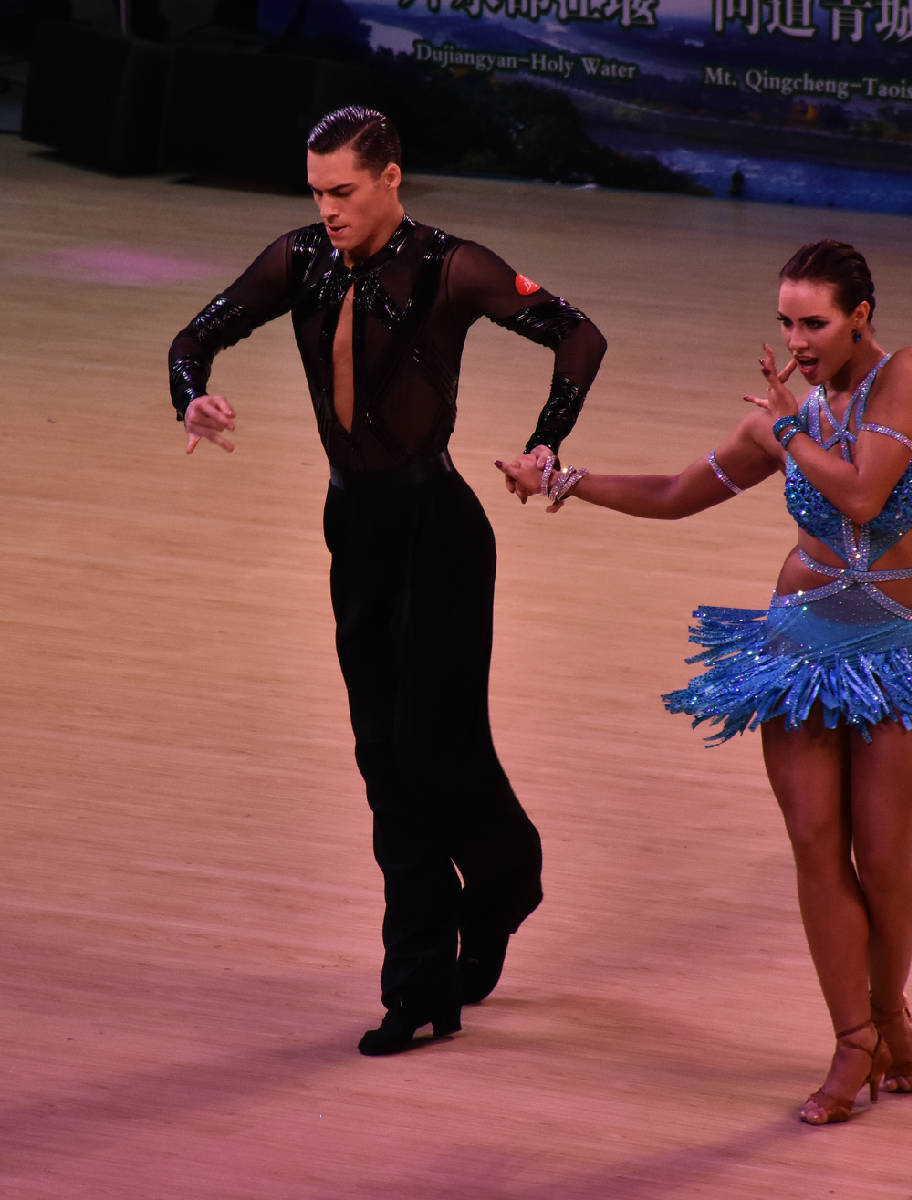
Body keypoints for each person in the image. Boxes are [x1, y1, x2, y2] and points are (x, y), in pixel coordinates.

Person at [498, 240, 912, 1124]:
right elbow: (676, 491)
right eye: (785, 323)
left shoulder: (910, 376)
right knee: (814, 845)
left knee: (882, 860)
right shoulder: (778, 422)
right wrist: (564, 480)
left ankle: (890, 1013)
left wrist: (789, 429)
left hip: (894, 649)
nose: (796, 341)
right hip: (794, 652)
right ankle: (852, 1041)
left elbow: (863, 494)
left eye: (814, 323)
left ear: (859, 317)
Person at [168, 106, 606, 1055]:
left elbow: (579, 337)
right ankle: (418, 983)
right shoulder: (300, 258)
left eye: (343, 191)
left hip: (440, 531)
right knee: (382, 757)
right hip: (355, 531)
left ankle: (502, 886)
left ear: (389, 179)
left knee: (434, 749)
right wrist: (190, 397)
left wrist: (544, 444)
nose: (326, 209)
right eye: (315, 191)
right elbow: (192, 339)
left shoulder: (452, 266)